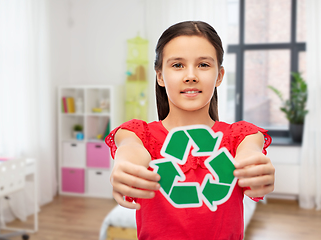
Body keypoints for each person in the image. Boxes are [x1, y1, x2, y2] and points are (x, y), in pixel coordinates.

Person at [105, 21, 275, 240]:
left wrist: (255, 168)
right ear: (160, 76)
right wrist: (125, 167)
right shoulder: (139, 134)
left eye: (203, 64)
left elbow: (250, 153)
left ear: (220, 76)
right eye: (177, 65)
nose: (191, 75)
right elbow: (130, 151)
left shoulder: (240, 136)